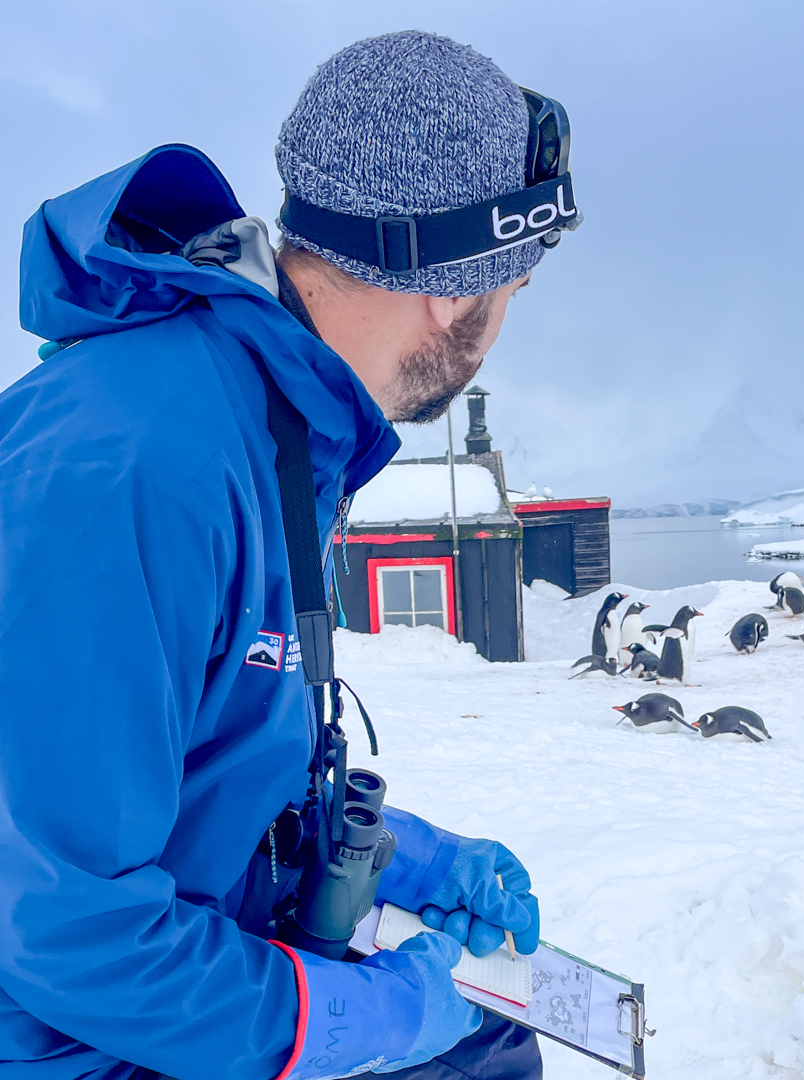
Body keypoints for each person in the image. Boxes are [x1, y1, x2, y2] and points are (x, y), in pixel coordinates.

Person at [0, 30, 579, 1080]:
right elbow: (62, 923)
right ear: (456, 290)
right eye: (514, 289)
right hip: (74, 1045)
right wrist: (349, 1021)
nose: (502, 321)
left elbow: (191, 771)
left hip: (149, 994)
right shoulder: (141, 463)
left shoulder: (269, 422)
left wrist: (393, 855)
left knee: (488, 1038)